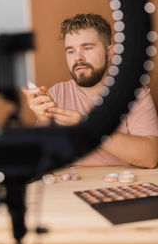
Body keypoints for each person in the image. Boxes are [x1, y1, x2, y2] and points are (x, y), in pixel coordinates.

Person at [23, 13, 158, 168]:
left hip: (119, 187)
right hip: (68, 188)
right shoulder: (55, 95)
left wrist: (88, 128)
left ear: (111, 51)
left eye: (87, 48)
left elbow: (150, 158)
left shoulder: (136, 93)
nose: (78, 57)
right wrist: (43, 121)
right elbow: (37, 161)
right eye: (70, 51)